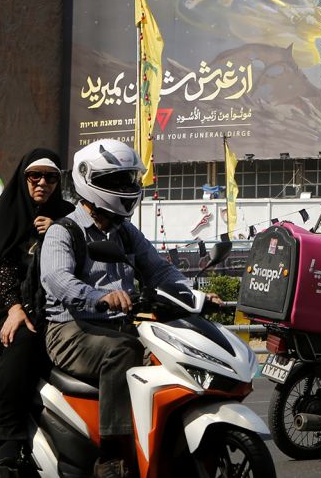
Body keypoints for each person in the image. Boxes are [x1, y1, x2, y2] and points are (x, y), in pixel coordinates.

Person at [41, 139, 210, 478]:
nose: (128, 188)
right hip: (70, 329)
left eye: (130, 180)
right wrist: (97, 296)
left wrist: (192, 294)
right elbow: (55, 278)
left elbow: (159, 269)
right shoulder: (64, 231)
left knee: (172, 359)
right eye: (118, 181)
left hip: (120, 325)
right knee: (122, 352)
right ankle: (112, 456)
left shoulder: (125, 232)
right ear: (90, 181)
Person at [0, 148, 74, 471]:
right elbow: (1, 265)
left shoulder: (67, 216)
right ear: (23, 178)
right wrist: (14, 308)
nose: (42, 183)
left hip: (50, 306)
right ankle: (10, 436)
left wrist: (58, 231)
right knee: (24, 340)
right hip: (1, 307)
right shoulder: (8, 213)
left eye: (50, 177)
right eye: (35, 176)